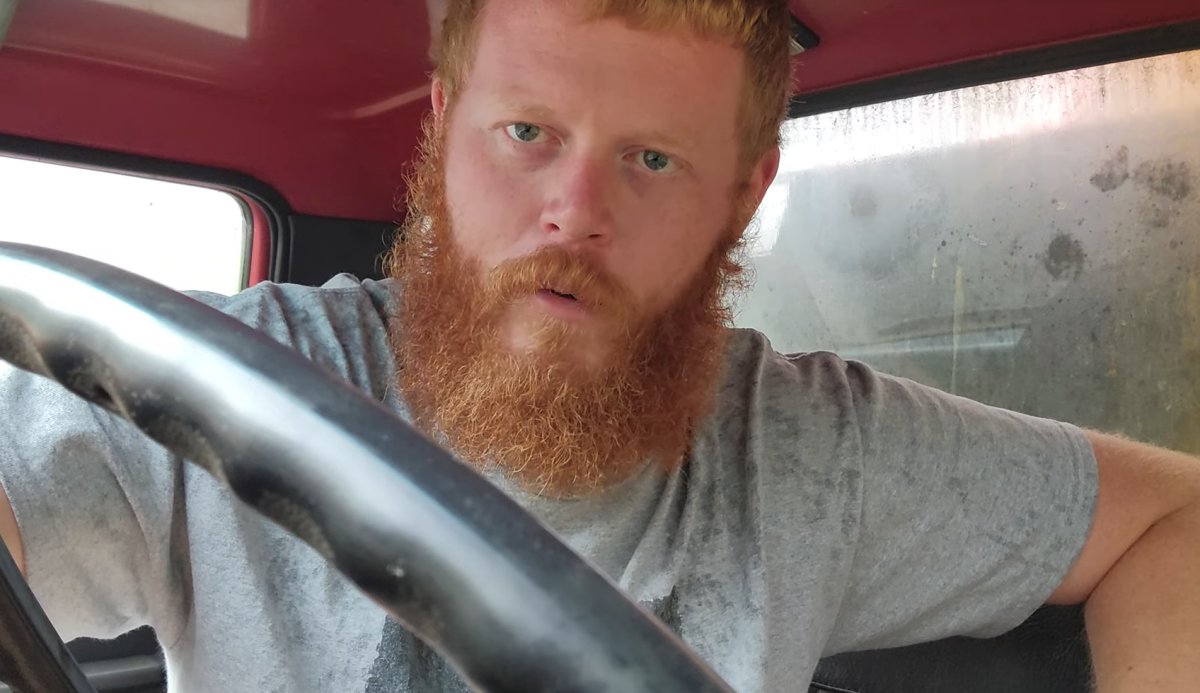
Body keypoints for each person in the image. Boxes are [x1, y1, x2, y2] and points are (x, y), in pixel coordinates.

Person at [0, 0, 1198, 690]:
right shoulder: (212, 384)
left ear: (743, 189)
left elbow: (1171, 518)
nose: (576, 211)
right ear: (442, 128)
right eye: (527, 131)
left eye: (652, 158)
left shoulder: (812, 450)